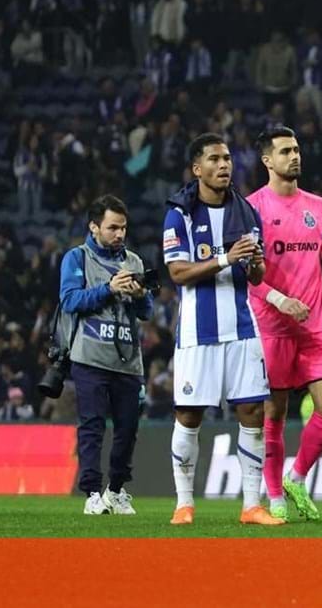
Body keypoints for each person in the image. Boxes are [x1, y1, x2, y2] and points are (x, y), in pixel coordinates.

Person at [163, 133, 282, 526]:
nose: (224, 165)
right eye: (214, 159)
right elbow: (178, 272)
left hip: (242, 329)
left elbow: (258, 274)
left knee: (251, 411)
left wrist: (256, 264)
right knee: (189, 414)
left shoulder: (247, 213)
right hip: (198, 333)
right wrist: (224, 258)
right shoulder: (179, 213)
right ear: (197, 169)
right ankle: (184, 503)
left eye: (228, 158)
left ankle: (251, 505)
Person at [245, 126, 322, 523]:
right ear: (267, 161)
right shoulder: (252, 209)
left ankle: (297, 477)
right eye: (285, 151)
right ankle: (274, 496)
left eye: (296, 150)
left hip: (314, 326)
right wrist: (280, 300)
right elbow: (247, 274)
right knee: (273, 414)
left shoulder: (319, 206)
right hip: (272, 327)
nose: (295, 157)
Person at [57, 195, 153, 515]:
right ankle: (91, 494)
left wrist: (139, 296)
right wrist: (109, 288)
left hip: (128, 359)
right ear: (94, 227)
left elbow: (147, 313)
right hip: (89, 357)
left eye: (123, 228)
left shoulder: (135, 262)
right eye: (112, 227)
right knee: (92, 426)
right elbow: (70, 301)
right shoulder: (77, 258)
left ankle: (116, 490)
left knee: (128, 429)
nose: (119, 234)